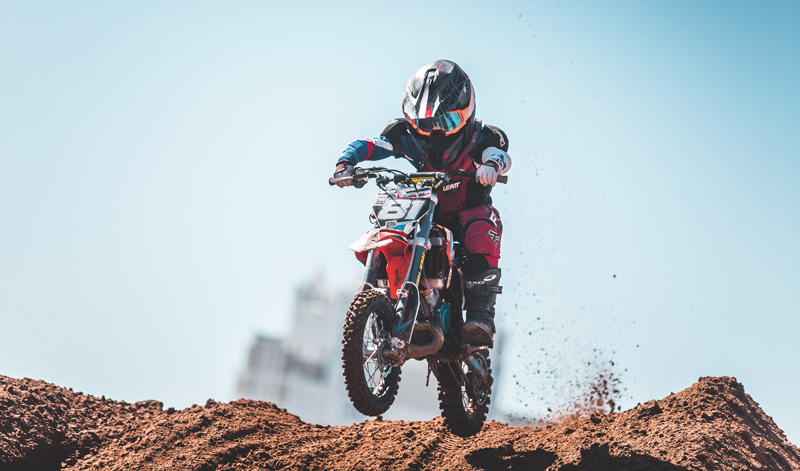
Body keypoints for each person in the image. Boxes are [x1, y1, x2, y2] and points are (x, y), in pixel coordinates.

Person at [332, 60, 511, 347]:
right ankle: (384, 301)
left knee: (481, 225)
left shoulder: (484, 136)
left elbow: (498, 154)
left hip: (466, 212)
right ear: (411, 118)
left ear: (467, 114)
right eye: (426, 124)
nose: (436, 132)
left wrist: (491, 165)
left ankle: (480, 315)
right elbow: (370, 145)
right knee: (386, 224)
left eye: (446, 122)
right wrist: (346, 163)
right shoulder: (404, 135)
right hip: (423, 210)